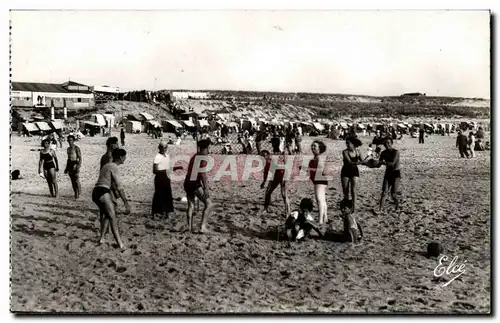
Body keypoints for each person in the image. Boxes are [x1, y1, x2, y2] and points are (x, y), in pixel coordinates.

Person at [92, 149, 131, 249]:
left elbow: (110, 182)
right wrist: (125, 202)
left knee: (107, 215)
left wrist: (116, 195)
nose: (125, 159)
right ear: (121, 157)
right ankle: (120, 244)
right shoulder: (114, 167)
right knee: (113, 217)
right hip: (103, 192)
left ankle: (102, 238)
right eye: (124, 157)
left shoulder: (107, 165)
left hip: (96, 192)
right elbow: (119, 186)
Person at [184, 139, 213, 233]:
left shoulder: (195, 156)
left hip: (187, 182)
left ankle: (189, 227)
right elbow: (202, 174)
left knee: (191, 205)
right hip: (195, 183)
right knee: (209, 204)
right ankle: (202, 227)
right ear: (206, 147)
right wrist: (206, 188)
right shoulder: (203, 157)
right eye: (209, 147)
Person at [152, 140, 182, 219]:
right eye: (162, 147)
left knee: (168, 195)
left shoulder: (167, 155)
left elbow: (168, 168)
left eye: (165, 147)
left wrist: (177, 168)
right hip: (160, 178)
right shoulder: (157, 156)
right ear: (159, 147)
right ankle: (155, 212)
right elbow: (154, 170)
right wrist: (165, 170)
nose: (164, 149)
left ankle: (167, 212)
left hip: (166, 177)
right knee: (158, 195)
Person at [374, 138, 401, 214]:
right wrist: (370, 163)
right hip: (388, 173)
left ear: (392, 143)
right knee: (384, 192)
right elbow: (378, 165)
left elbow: (392, 163)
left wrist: (381, 162)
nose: (387, 144)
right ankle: (380, 209)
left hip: (396, 173)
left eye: (389, 142)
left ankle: (397, 206)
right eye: (385, 143)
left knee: (393, 194)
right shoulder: (383, 153)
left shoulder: (396, 152)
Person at [260, 150, 290, 216]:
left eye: (264, 156)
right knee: (284, 194)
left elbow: (266, 172)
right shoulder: (271, 160)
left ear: (267, 155)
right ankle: (288, 211)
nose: (263, 157)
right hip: (283, 173)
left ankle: (265, 209)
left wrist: (264, 182)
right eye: (262, 156)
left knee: (268, 192)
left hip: (279, 175)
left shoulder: (267, 162)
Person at [341, 137, 364, 212]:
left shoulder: (358, 151)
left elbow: (363, 161)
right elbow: (350, 162)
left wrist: (371, 163)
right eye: (346, 143)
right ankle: (347, 204)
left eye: (348, 143)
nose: (347, 145)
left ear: (353, 144)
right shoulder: (345, 152)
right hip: (345, 171)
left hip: (354, 171)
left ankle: (354, 207)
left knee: (353, 190)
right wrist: (359, 162)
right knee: (345, 190)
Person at [309, 140, 329, 225]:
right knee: (322, 200)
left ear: (319, 148)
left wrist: (308, 169)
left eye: (315, 146)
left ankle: (320, 220)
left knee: (319, 200)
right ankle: (325, 218)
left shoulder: (318, 157)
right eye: (312, 146)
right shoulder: (317, 157)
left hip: (319, 180)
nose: (313, 147)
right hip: (320, 180)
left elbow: (321, 170)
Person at [64, 135, 82, 199]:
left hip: (75, 163)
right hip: (70, 164)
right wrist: (66, 168)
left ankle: (78, 193)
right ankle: (76, 193)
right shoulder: (68, 149)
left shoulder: (76, 148)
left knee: (76, 180)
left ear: (73, 141)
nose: (70, 142)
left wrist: (78, 166)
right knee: (72, 180)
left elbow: (80, 158)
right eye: (69, 140)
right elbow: (68, 159)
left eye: (71, 140)